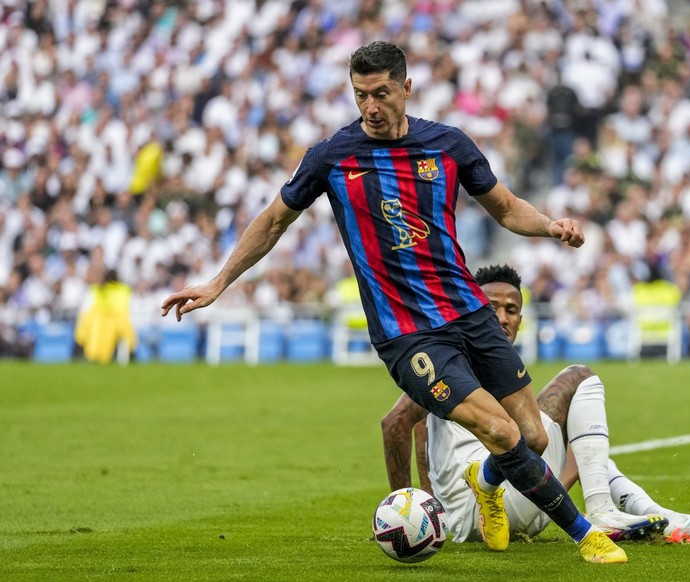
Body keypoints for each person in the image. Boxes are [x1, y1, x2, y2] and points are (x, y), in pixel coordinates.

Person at [161, 41, 626, 564]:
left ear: (406, 87)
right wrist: (220, 281)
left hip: (469, 312)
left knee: (532, 439)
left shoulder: (448, 146)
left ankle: (485, 481)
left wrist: (550, 226)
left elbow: (506, 207)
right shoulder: (333, 156)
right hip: (409, 335)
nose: (370, 107)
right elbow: (273, 221)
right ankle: (586, 535)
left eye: (381, 93)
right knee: (497, 429)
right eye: (360, 95)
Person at [382, 264, 690, 544]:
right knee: (579, 378)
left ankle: (657, 514)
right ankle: (601, 510)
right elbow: (397, 423)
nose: (503, 318)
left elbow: (418, 427)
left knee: (585, 446)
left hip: (526, 509)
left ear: (522, 319)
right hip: (478, 508)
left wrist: (432, 506)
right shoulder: (452, 358)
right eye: (491, 309)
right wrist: (412, 511)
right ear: (472, 310)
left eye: (512, 309)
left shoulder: (498, 368)